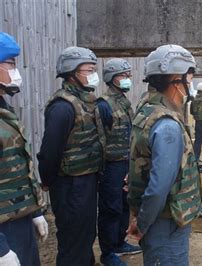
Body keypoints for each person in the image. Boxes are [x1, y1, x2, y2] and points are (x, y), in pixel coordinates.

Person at [127, 44, 202, 266]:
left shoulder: (147, 109)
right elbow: (159, 186)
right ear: (176, 79)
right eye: (189, 77)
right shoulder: (167, 124)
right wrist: (142, 223)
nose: (190, 83)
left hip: (157, 217)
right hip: (166, 220)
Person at [37, 46, 103, 265]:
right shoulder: (63, 107)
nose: (93, 74)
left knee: (84, 234)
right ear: (71, 72)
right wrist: (47, 179)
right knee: (73, 237)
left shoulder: (87, 100)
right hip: (70, 184)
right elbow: (50, 151)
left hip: (85, 181)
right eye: (88, 69)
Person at [0, 32, 48, 266]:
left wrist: (35, 211)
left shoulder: (5, 110)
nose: (15, 71)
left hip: (18, 218)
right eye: (10, 63)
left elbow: (18, 167)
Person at [97, 58, 142, 265]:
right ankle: (107, 253)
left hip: (126, 161)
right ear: (111, 79)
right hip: (111, 165)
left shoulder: (123, 101)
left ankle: (119, 241)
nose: (126, 80)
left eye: (127, 76)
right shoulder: (104, 104)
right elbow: (100, 138)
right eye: (122, 76)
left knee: (125, 204)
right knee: (111, 208)